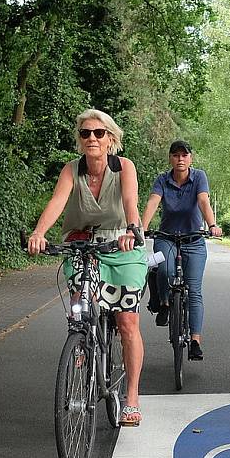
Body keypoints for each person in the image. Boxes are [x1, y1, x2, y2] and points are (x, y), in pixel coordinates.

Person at [26, 108, 147, 427]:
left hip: (121, 244)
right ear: (79, 140)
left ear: (110, 138)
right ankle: (84, 340)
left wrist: (132, 231)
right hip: (82, 242)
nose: (92, 138)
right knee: (81, 309)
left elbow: (131, 205)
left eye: (98, 133)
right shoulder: (71, 169)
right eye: (85, 134)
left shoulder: (124, 167)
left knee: (127, 322)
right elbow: (56, 202)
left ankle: (131, 397)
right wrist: (39, 233)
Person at [141, 139, 223, 360]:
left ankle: (195, 341)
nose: (180, 159)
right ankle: (165, 302)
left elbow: (204, 202)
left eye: (184, 155)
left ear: (190, 159)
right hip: (166, 237)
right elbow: (152, 202)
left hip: (194, 239)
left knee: (194, 291)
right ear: (170, 158)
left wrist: (212, 225)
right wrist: (141, 229)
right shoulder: (162, 180)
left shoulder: (199, 177)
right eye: (176, 155)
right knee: (164, 270)